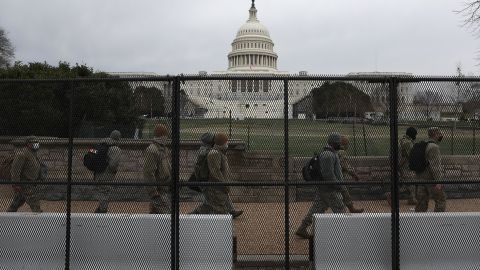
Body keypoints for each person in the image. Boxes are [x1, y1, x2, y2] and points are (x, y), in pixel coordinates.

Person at [295, 133, 347, 239]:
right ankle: (343, 234)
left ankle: (302, 228)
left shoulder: (330, 153)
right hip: (330, 189)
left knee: (316, 208)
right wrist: (339, 186)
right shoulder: (328, 155)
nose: (339, 145)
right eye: (338, 143)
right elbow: (329, 175)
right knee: (340, 209)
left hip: (325, 188)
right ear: (333, 143)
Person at [190, 132, 243, 218]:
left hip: (214, 183)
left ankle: (231, 211)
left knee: (214, 201)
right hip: (213, 184)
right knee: (214, 205)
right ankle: (222, 218)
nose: (227, 143)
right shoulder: (214, 153)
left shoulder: (216, 151)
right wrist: (224, 184)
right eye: (226, 142)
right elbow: (215, 171)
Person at [7, 136, 43, 212]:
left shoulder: (32, 154)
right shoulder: (22, 154)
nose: (36, 144)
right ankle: (39, 220)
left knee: (16, 202)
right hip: (25, 183)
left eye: (37, 143)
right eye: (34, 143)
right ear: (28, 144)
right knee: (35, 202)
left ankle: (8, 217)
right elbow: (15, 170)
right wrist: (15, 184)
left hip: (30, 182)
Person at [415, 127, 446, 212]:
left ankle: (417, 223)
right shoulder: (434, 147)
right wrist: (438, 181)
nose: (441, 135)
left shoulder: (422, 144)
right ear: (435, 134)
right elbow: (435, 167)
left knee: (421, 203)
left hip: (420, 178)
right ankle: (437, 222)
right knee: (440, 201)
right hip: (431, 179)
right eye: (439, 133)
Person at [385, 127, 418, 206]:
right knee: (410, 181)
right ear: (412, 134)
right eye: (415, 134)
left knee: (409, 182)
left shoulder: (403, 140)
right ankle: (391, 194)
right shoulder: (408, 142)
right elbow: (409, 156)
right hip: (402, 165)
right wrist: (399, 166)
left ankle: (411, 198)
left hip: (398, 164)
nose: (416, 136)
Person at [144, 124, 172, 214]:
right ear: (163, 136)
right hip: (158, 190)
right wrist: (153, 192)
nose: (167, 137)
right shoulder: (152, 150)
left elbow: (167, 167)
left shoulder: (164, 149)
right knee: (167, 215)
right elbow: (148, 172)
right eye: (165, 135)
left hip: (164, 188)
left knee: (157, 215)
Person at [94, 130, 122, 213]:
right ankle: (101, 213)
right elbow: (113, 165)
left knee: (102, 193)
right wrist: (115, 170)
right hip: (107, 176)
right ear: (118, 138)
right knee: (105, 194)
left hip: (98, 173)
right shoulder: (115, 149)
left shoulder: (101, 144)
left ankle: (100, 211)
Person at [338, 135, 364, 213]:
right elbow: (346, 167)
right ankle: (347, 211)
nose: (348, 146)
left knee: (344, 194)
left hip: (335, 178)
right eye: (347, 144)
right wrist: (355, 175)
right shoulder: (341, 152)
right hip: (339, 178)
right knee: (344, 193)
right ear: (344, 144)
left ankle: (351, 209)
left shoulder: (334, 151)